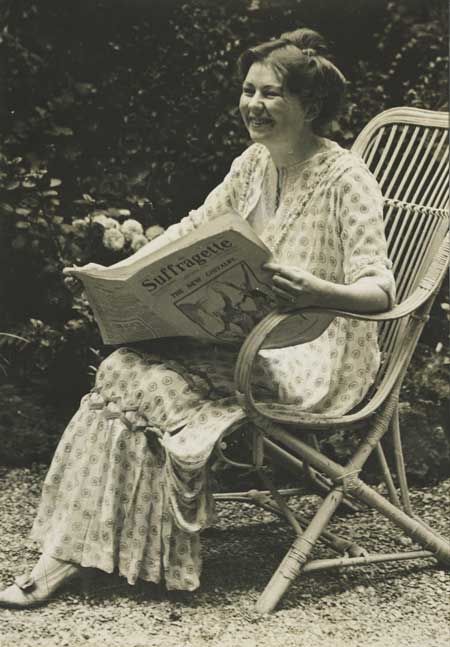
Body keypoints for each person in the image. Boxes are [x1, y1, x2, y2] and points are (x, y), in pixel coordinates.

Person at [0, 27, 395, 608]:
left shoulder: (349, 181)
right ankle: (79, 552)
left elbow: (380, 291)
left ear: (310, 106)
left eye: (270, 94)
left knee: (148, 381)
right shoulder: (253, 165)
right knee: (122, 367)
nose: (253, 105)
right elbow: (192, 230)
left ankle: (104, 553)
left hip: (315, 353)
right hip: (247, 339)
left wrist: (317, 288)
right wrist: (115, 274)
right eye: (248, 91)